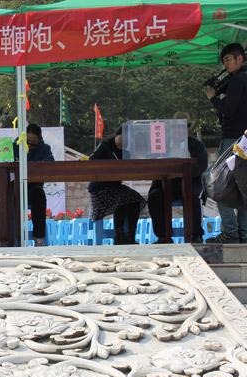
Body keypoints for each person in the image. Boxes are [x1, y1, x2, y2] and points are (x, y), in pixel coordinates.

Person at [205, 42, 247, 243]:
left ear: (240, 58)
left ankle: (230, 232)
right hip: (245, 139)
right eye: (224, 61)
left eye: (228, 60)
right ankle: (244, 233)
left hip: (233, 139)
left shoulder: (238, 80)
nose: (226, 65)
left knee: (217, 182)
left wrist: (213, 98)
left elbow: (228, 111)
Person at [148, 112, 208, 244]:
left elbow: (201, 165)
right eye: (176, 128)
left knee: (194, 196)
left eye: (183, 128)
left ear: (189, 131)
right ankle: (163, 236)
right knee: (154, 197)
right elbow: (152, 160)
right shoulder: (162, 144)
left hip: (190, 181)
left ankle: (196, 235)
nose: (179, 131)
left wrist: (181, 173)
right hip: (165, 182)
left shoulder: (196, 145)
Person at [87, 125, 146, 245]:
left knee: (135, 199)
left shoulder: (126, 153)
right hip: (101, 187)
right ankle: (118, 236)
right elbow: (92, 160)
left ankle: (130, 236)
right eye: (122, 138)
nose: (124, 142)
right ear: (117, 135)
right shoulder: (105, 145)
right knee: (121, 200)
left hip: (115, 187)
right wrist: (110, 164)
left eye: (127, 140)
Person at [17, 123, 55, 246]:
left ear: (39, 140)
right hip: (15, 187)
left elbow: (50, 163)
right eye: (27, 142)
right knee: (3, 199)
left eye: (33, 143)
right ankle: (8, 237)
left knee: (39, 195)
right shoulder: (15, 146)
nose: (29, 145)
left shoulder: (44, 149)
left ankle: (38, 236)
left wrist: (33, 165)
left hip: (33, 187)